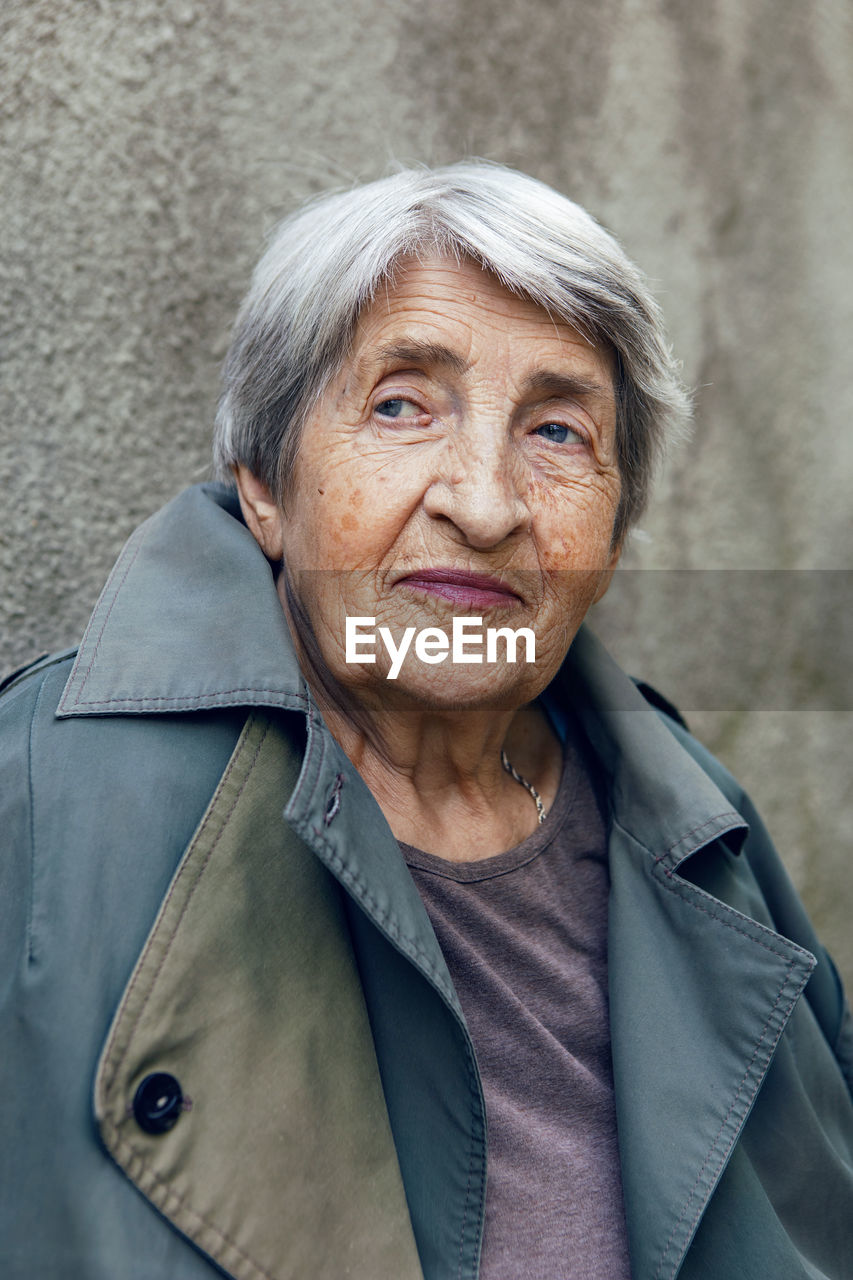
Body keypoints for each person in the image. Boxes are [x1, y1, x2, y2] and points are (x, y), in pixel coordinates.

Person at [1, 162, 851, 1280]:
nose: (486, 501)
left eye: (556, 432)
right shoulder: (44, 791)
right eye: (402, 404)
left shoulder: (703, 830)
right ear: (265, 482)